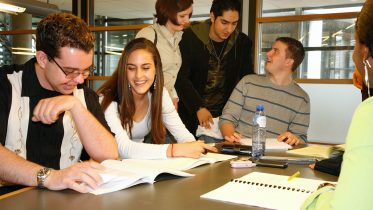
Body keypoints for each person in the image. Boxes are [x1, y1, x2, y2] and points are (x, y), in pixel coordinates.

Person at [0, 13, 118, 195]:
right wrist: (49, 177)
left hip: (68, 198)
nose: (79, 80)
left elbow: (109, 155)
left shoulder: (84, 96)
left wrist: (75, 106)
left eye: (85, 71)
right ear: (42, 59)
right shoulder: (6, 84)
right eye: (70, 71)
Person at [301, 1, 373, 209]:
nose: (352, 55)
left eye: (355, 44)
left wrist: (320, 195)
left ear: (366, 52)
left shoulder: (369, 114)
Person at [97, 38, 217, 160]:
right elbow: (122, 148)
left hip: (138, 166)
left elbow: (182, 134)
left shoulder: (160, 94)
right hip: (108, 168)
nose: (138, 75)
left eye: (146, 68)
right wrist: (173, 150)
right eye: (131, 68)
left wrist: (195, 148)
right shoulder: (107, 99)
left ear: (156, 69)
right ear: (124, 70)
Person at [175, 0, 253, 137]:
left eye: (234, 23)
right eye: (224, 22)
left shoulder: (242, 42)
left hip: (225, 117)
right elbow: (181, 77)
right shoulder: (189, 37)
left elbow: (246, 78)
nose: (229, 29)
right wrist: (198, 107)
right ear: (212, 17)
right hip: (190, 112)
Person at [220, 37, 310, 146]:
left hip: (275, 157)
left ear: (288, 62)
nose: (268, 53)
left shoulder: (302, 98)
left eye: (275, 51)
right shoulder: (248, 82)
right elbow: (227, 118)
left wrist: (294, 139)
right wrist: (232, 137)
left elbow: (300, 138)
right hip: (240, 150)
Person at [136, 0, 193, 109]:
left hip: (166, 103)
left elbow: (169, 73)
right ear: (167, 13)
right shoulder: (148, 35)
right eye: (182, 16)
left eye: (189, 15)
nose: (187, 20)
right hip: (147, 104)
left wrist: (173, 96)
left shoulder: (178, 37)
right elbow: (136, 74)